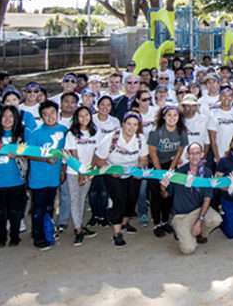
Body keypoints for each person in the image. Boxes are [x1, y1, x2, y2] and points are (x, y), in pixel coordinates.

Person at [96, 113, 147, 246]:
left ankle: (124, 223)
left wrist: (140, 169)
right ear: (123, 124)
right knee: (119, 200)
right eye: (128, 124)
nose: (131, 127)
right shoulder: (111, 138)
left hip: (132, 173)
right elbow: (99, 160)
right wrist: (111, 170)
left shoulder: (140, 139)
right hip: (113, 173)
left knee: (131, 199)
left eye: (135, 124)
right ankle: (117, 233)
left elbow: (143, 158)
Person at [163, 142, 221, 255]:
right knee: (188, 249)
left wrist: (199, 222)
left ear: (202, 154)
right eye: (191, 153)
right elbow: (166, 195)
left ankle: (201, 234)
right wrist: (162, 187)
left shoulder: (207, 172)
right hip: (181, 215)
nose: (194, 156)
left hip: (198, 211)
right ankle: (180, 230)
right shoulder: (179, 173)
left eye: (197, 153)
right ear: (187, 156)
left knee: (216, 219)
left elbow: (207, 199)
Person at [26, 101, 68, 251]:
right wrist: (45, 159)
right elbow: (29, 154)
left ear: (58, 113)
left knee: (50, 206)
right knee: (38, 208)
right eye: (45, 114)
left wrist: (63, 170)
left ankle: (47, 232)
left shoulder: (64, 130)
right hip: (38, 178)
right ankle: (38, 237)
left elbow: (66, 154)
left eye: (52, 113)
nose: (49, 117)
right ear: (41, 116)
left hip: (54, 177)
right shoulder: (36, 133)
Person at [0, 105, 27, 248]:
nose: (8, 119)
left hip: (16, 179)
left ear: (16, 119)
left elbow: (27, 153)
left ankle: (15, 235)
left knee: (15, 210)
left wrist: (18, 154)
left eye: (11, 116)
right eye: (4, 116)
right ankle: (1, 236)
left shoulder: (22, 134)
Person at [147, 105, 188, 238]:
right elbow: (153, 154)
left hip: (171, 165)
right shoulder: (156, 131)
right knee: (156, 196)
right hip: (155, 166)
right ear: (164, 117)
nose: (172, 118)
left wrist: (170, 172)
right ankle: (157, 223)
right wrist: (161, 177)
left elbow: (178, 154)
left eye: (175, 115)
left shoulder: (182, 131)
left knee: (168, 195)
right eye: (169, 115)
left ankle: (165, 221)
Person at [63, 105, 101, 246]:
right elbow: (73, 154)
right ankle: (78, 230)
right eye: (81, 116)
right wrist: (80, 172)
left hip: (88, 172)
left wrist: (89, 171)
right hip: (74, 172)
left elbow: (95, 152)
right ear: (76, 118)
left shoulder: (95, 132)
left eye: (87, 115)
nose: (84, 118)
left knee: (82, 198)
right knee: (75, 199)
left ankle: (80, 224)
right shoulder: (71, 133)